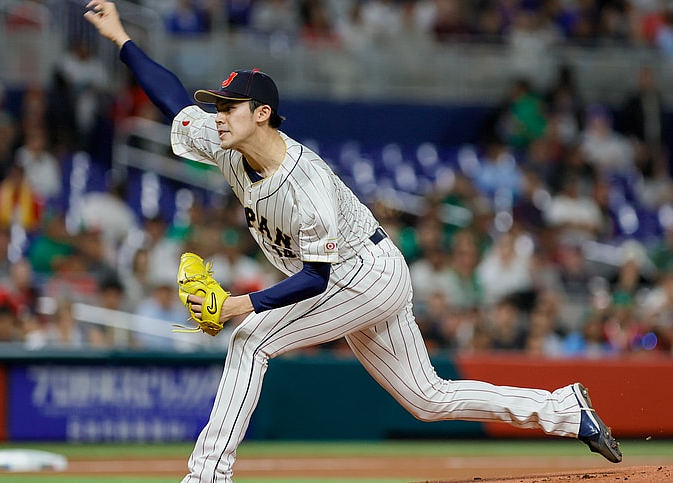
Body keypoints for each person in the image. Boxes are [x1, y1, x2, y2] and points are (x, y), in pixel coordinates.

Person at [84, 3, 623, 481]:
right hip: (358, 272)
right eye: (219, 106)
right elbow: (172, 100)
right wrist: (122, 41)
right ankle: (565, 411)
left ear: (262, 114)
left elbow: (317, 279)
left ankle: (206, 477)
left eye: (229, 107)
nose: (218, 116)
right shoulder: (227, 142)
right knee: (429, 399)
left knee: (250, 339)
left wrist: (235, 305)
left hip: (361, 274)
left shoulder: (305, 185)